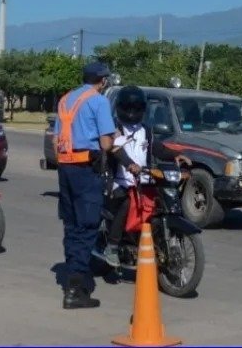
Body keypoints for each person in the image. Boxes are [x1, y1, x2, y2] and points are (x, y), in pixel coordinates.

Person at [96, 85, 189, 268]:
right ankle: (113, 246)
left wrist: (175, 155)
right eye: (129, 108)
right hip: (117, 180)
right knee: (127, 202)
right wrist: (129, 164)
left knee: (159, 201)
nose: (132, 112)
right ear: (121, 108)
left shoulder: (145, 130)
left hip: (143, 179)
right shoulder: (115, 128)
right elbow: (116, 150)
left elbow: (156, 148)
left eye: (137, 108)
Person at [54, 61, 116, 309]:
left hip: (65, 168)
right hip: (85, 169)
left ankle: (71, 274)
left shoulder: (65, 99)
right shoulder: (99, 101)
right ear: (102, 81)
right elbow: (105, 144)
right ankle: (76, 289)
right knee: (87, 226)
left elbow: (57, 137)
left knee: (71, 226)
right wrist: (114, 139)